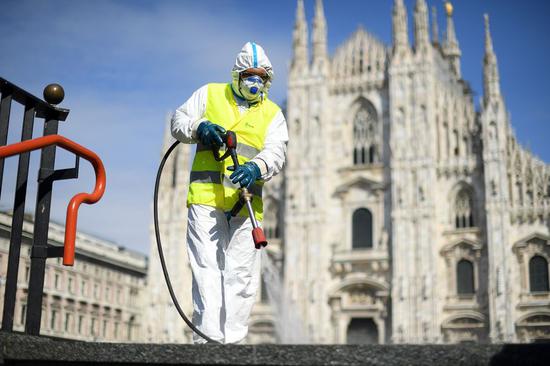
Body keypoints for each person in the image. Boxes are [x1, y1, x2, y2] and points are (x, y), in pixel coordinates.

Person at [171, 42, 288, 344]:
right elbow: (178, 121)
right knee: (206, 270)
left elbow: (277, 152)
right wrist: (199, 127)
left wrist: (256, 167)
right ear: (237, 75)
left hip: (246, 202)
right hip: (206, 199)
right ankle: (208, 343)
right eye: (250, 75)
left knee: (242, 276)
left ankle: (233, 344)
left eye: (261, 77)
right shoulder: (209, 94)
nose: (255, 82)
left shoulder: (273, 113)